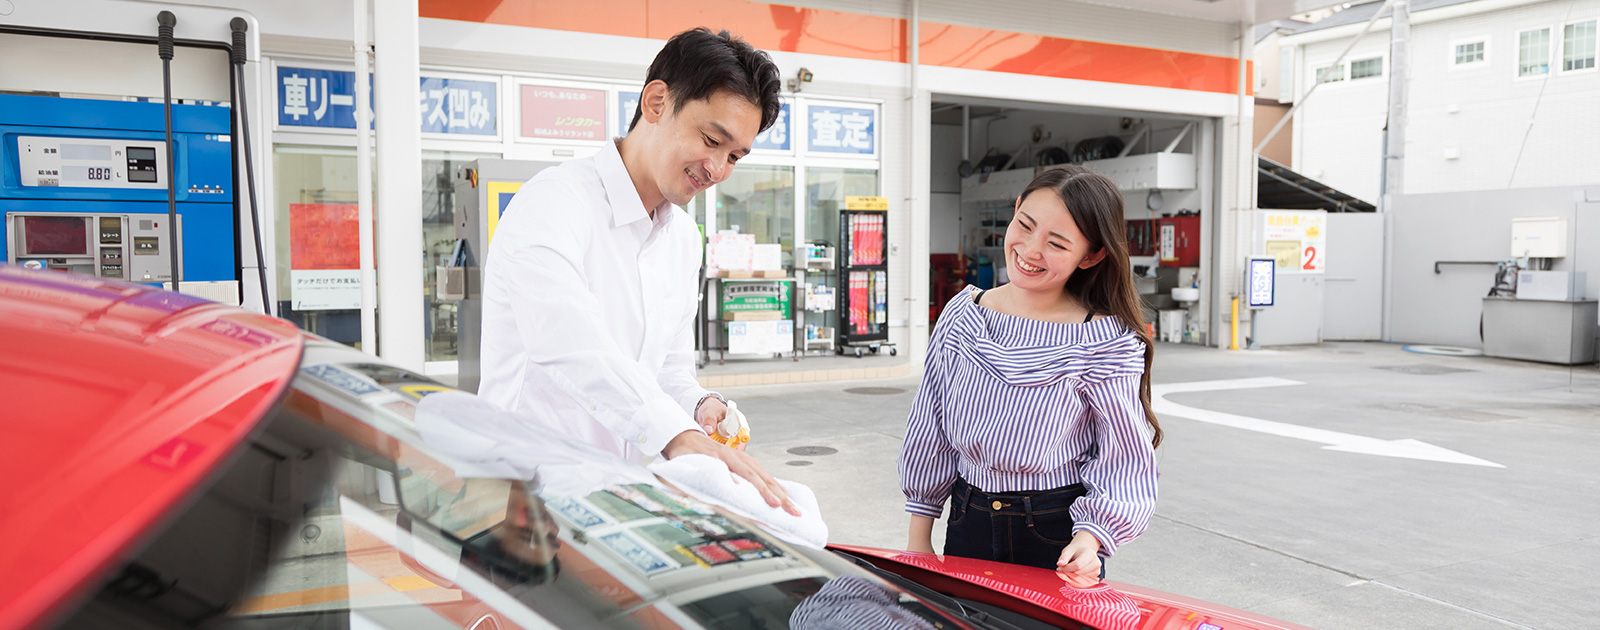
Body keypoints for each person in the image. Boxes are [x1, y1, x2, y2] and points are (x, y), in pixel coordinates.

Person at [478, 27, 797, 516]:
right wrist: (678, 436)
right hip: (523, 504)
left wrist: (698, 407)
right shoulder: (554, 202)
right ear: (655, 102)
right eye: (712, 140)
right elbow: (567, 341)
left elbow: (666, 369)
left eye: (734, 156)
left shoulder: (684, 240)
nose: (717, 168)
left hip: (618, 506)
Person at [898, 166, 1161, 582]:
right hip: (967, 520)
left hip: (1056, 533)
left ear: (1091, 255)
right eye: (1025, 225)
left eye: (1057, 243)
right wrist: (918, 540)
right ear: (1016, 208)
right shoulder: (964, 313)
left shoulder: (1105, 340)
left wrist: (1091, 539)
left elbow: (1122, 456)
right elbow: (930, 426)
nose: (1031, 249)